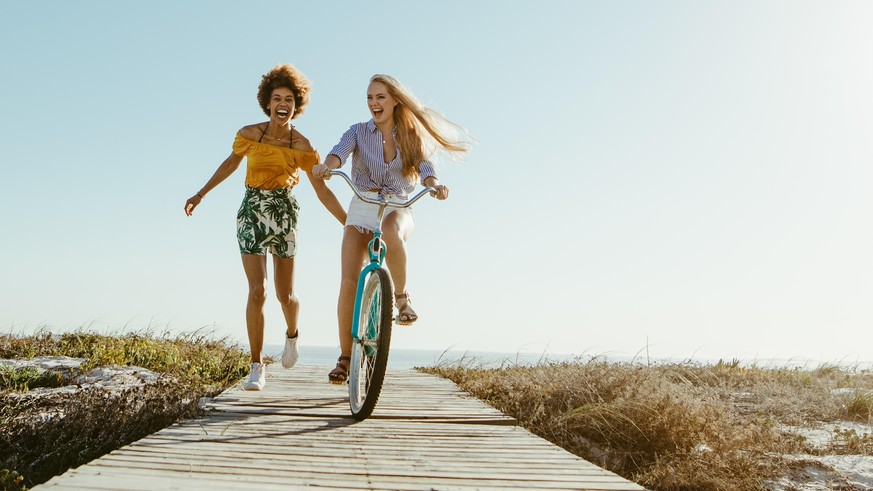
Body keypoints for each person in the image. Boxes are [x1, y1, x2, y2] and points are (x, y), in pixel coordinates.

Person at [185, 64, 346, 391]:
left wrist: (348, 223)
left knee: (284, 294)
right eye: (277, 98)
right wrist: (201, 193)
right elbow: (231, 163)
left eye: (288, 98)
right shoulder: (249, 135)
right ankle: (257, 365)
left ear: (296, 105)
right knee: (257, 290)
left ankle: (291, 335)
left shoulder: (302, 146)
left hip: (284, 212)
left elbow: (322, 191)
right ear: (268, 102)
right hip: (251, 211)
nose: (282, 104)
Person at [311, 74, 473, 384]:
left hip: (398, 205)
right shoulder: (358, 132)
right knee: (348, 282)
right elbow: (338, 153)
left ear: (395, 100)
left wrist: (434, 184)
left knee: (390, 232)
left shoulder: (410, 135)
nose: (374, 103)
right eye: (370, 98)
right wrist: (328, 167)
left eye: (380, 97)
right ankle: (345, 358)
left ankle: (401, 298)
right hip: (362, 203)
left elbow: (425, 167)